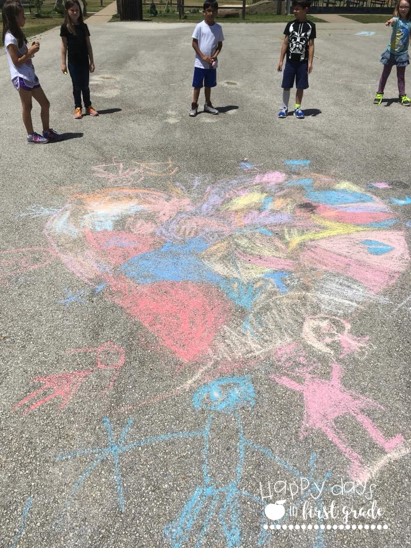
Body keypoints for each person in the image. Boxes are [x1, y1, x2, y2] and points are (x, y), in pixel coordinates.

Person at [2, 0, 59, 143]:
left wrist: (31, 49)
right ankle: (31, 135)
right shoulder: (9, 37)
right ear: (14, 18)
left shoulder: (18, 34)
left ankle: (46, 131)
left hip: (30, 75)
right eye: (22, 15)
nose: (25, 17)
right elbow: (16, 61)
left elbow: (23, 54)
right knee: (27, 106)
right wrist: (30, 52)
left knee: (45, 103)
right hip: (20, 77)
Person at [277, 0, 316, 119]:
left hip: (302, 63)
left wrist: (310, 62)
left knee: (300, 86)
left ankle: (297, 108)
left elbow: (311, 45)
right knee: (286, 85)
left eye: (297, 9)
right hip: (290, 62)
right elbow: (285, 43)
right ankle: (284, 108)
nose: (294, 11)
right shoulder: (290, 25)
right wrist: (281, 60)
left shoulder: (311, 26)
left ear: (305, 10)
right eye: (294, 9)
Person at [60, 0, 98, 119]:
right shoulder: (65, 27)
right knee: (76, 85)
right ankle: (78, 107)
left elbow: (88, 45)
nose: (75, 12)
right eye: (72, 10)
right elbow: (63, 46)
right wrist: (63, 63)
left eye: (77, 10)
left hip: (84, 61)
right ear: (67, 11)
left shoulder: (83, 26)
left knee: (85, 85)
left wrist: (92, 61)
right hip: (73, 62)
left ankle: (88, 106)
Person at [189, 1, 224, 117]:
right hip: (200, 63)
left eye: (213, 11)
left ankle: (208, 104)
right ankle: (194, 105)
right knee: (197, 85)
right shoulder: (200, 26)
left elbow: (220, 45)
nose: (211, 13)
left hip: (211, 64)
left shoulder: (218, 28)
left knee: (208, 85)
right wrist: (203, 56)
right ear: (204, 12)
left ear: (217, 12)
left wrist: (215, 55)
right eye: (208, 11)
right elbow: (194, 43)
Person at [374, 0, 411, 106]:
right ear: (398, 8)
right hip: (391, 53)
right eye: (401, 7)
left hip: (402, 54)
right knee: (385, 74)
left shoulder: (409, 22)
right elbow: (392, 20)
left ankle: (402, 95)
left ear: (409, 8)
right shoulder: (397, 20)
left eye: (406, 7)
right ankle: (379, 93)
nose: (403, 9)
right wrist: (389, 22)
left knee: (401, 76)